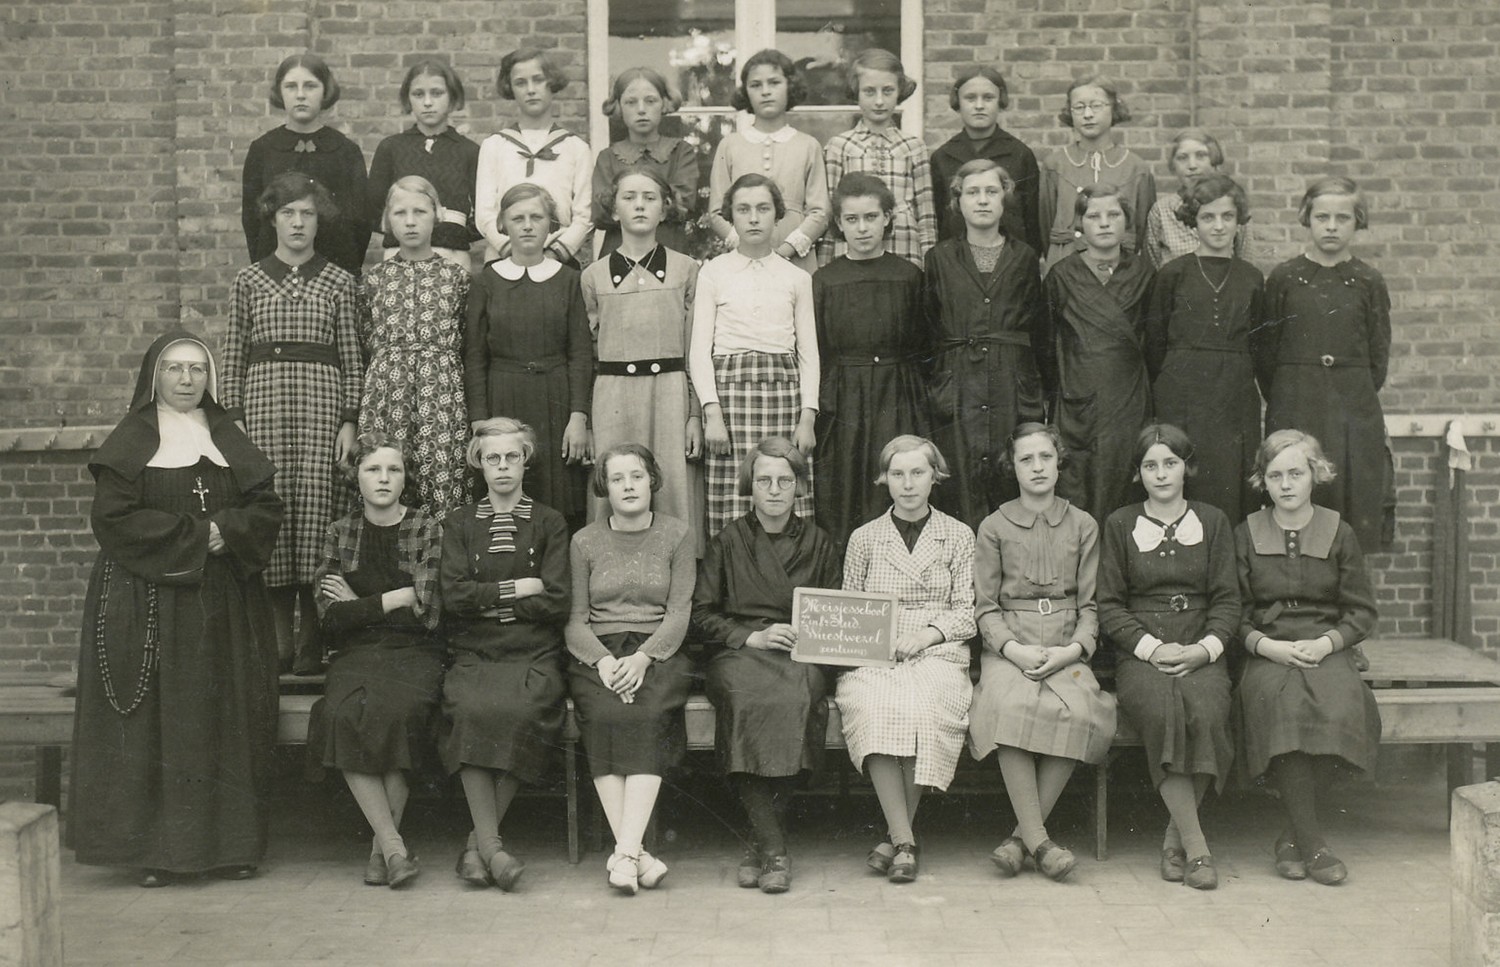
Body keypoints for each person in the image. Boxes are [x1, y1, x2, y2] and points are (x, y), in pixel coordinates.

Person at [69, 330, 283, 887]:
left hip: (225, 601)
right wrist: (196, 537)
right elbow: (113, 519)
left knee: (226, 715)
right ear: (154, 376)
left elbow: (265, 506)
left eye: (197, 369)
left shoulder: (227, 435)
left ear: (209, 378)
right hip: (149, 600)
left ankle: (233, 846)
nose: (187, 380)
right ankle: (159, 853)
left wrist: (226, 532)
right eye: (174, 369)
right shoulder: (132, 438)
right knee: (159, 724)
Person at [222, 171, 363, 675]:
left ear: (319, 220)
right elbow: (232, 356)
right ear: (273, 219)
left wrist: (349, 420)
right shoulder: (249, 281)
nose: (298, 223)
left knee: (318, 510)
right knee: (273, 509)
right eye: (288, 213)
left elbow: (352, 358)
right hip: (265, 406)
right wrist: (234, 421)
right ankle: (277, 637)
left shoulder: (340, 281)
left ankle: (313, 638)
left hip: (322, 406)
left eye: (307, 213)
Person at [694, 437, 843, 893]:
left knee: (800, 697)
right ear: (750, 486)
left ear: (799, 486)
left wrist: (806, 638)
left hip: (799, 655)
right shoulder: (727, 541)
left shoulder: (819, 543)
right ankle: (774, 847)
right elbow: (701, 614)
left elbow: (836, 613)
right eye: (764, 481)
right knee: (745, 700)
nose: (774, 490)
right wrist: (750, 636)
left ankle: (759, 839)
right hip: (739, 652)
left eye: (784, 480)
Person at [969, 423, 1116, 882]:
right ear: (1011, 467)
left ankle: (1020, 840)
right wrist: (1013, 650)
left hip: (1065, 645)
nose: (1037, 467)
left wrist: (1072, 651)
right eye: (1026, 459)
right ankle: (1041, 843)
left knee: (1081, 711)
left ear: (1058, 462)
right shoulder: (993, 526)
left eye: (1045, 458)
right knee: (1008, 707)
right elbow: (985, 607)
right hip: (1010, 646)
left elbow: (1090, 607)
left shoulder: (1083, 525)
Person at [1097, 424, 1239, 890]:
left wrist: (1204, 650)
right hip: (1142, 653)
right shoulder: (1120, 524)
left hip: (1200, 646)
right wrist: (1152, 648)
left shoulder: (1213, 521)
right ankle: (1197, 848)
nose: (1161, 474)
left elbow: (1228, 600)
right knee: (1162, 712)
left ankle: (1173, 840)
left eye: (1170, 463)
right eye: (1150, 465)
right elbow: (1109, 605)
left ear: (1186, 468)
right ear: (1138, 473)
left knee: (1208, 712)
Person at [1235, 429, 1379, 886]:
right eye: (1275, 475)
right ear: (1263, 481)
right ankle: (1314, 844)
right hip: (1269, 649)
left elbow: (1361, 611)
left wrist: (1327, 643)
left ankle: (1291, 836)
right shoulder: (1246, 533)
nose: (1286, 484)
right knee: (1282, 706)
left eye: (1296, 473)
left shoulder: (1339, 531)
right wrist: (1268, 646)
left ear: (1315, 474)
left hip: (1325, 647)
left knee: (1343, 706)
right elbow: (1234, 613)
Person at [835, 435, 977, 884]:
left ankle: (895, 839)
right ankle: (905, 841)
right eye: (898, 474)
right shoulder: (864, 538)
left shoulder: (959, 534)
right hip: (876, 650)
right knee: (873, 707)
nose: (908, 484)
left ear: (935, 477)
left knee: (926, 707)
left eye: (918, 473)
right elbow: (850, 607)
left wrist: (927, 635)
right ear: (885, 479)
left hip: (938, 648)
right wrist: (876, 642)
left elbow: (966, 610)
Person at [440, 418, 571, 891]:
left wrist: (489, 599)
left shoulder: (549, 522)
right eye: (491, 458)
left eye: (511, 456)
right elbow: (454, 597)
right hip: (476, 649)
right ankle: (493, 850)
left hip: (533, 651)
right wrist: (520, 588)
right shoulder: (459, 523)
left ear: (525, 460)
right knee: (471, 709)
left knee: (524, 710)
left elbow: (556, 601)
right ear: (478, 463)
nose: (502, 466)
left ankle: (477, 847)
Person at [311, 433, 444, 889]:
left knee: (398, 713)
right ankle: (392, 848)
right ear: (356, 477)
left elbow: (426, 611)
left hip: (415, 652)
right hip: (356, 652)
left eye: (393, 469)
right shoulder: (339, 532)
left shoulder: (426, 527)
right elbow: (329, 618)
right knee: (342, 713)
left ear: (406, 478)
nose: (384, 478)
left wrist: (359, 602)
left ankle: (381, 850)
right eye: (373, 469)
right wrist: (393, 598)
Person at [565, 444, 696, 895]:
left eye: (636, 476)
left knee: (646, 713)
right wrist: (603, 661)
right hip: (599, 651)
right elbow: (575, 619)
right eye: (617, 478)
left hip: (658, 650)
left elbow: (679, 612)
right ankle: (635, 854)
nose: (628, 486)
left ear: (652, 480)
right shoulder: (583, 541)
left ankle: (624, 852)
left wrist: (642, 658)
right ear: (604, 486)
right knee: (603, 713)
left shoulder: (678, 535)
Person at [1256, 176, 1392, 551]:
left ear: (1357, 221)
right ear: (1307, 219)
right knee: (1296, 488)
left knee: (1349, 495)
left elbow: (1378, 358)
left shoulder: (1368, 281)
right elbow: (1266, 356)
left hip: (1352, 408)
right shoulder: (1285, 278)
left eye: (1342, 218)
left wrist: (1349, 389)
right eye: (1322, 217)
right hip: (1295, 401)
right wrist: (1292, 388)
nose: (1331, 226)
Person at [690, 174, 820, 537]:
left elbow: (808, 353)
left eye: (763, 209)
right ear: (731, 215)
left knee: (781, 482)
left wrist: (807, 417)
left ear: (777, 215)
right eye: (743, 209)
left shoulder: (797, 278)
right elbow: (699, 351)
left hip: (783, 395)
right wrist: (712, 412)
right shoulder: (713, 272)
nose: (753, 218)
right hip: (731, 398)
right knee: (735, 495)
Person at [581, 168, 704, 551]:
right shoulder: (593, 276)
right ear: (613, 209)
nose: (639, 205)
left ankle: (678, 573)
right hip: (612, 398)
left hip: (669, 396)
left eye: (650, 198)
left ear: (664, 209)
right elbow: (586, 355)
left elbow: (696, 349)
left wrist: (694, 414)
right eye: (629, 197)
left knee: (672, 490)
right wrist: (587, 422)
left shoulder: (687, 269)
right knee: (614, 484)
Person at [923, 159, 1047, 529]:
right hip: (957, 382)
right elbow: (928, 326)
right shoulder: (939, 257)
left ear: (1004, 198)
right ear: (957, 201)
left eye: (991, 191)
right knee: (959, 482)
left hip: (1011, 380)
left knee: (1009, 473)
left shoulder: (1024, 257)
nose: (982, 200)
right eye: (972, 192)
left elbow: (1038, 326)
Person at [813, 173, 931, 547]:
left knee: (898, 474)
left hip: (898, 392)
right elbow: (819, 346)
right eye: (852, 219)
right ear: (839, 223)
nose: (862, 228)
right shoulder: (825, 280)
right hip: (844, 395)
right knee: (844, 482)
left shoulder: (909, 276)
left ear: (887, 218)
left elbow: (925, 342)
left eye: (871, 217)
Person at [464, 184, 592, 526]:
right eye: (517, 218)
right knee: (504, 490)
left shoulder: (568, 280)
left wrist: (578, 417)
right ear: (503, 224)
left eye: (537, 217)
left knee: (557, 498)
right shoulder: (486, 281)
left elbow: (580, 354)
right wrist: (479, 420)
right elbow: (474, 356)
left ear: (551, 223)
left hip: (556, 400)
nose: (527, 226)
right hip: (502, 397)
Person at [1145, 173, 1264, 524]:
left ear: (1239, 221)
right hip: (1182, 390)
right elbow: (1154, 342)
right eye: (1208, 217)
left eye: (1227, 216)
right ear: (1193, 221)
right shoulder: (1173, 274)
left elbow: (1260, 344)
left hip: (1234, 393)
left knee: (1230, 477)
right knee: (1184, 471)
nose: (1218, 226)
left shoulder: (1251, 277)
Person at [357, 176, 471, 520]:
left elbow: (466, 339)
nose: (410, 221)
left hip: (442, 394)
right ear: (387, 220)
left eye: (420, 212)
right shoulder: (374, 280)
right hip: (386, 393)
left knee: (441, 475)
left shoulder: (456, 277)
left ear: (437, 215)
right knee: (386, 474)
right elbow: (365, 338)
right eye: (400, 213)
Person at [1042, 184, 1154, 523]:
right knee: (1078, 485)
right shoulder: (1062, 275)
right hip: (1077, 399)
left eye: (1113, 215)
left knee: (1125, 480)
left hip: (1128, 396)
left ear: (1127, 221)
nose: (1104, 223)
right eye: (1094, 216)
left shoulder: (1144, 273)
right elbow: (1046, 343)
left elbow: (1154, 340)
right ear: (1079, 224)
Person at [241, 53, 368, 276]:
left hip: (334, 270)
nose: (300, 95)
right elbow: (253, 220)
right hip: (277, 272)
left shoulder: (346, 151)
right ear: (280, 92)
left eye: (310, 86)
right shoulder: (263, 150)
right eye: (291, 86)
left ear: (325, 91)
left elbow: (360, 221)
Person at [708, 49, 829, 274]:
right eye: (756, 85)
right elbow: (716, 212)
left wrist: (785, 251)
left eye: (774, 83)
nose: (765, 91)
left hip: (794, 259)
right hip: (743, 258)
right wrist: (746, 248)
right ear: (746, 92)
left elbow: (819, 212)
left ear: (790, 86)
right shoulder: (730, 145)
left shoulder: (808, 145)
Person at [818, 48, 936, 267]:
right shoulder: (839, 146)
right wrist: (825, 266)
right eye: (870, 92)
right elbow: (831, 214)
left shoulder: (913, 147)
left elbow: (926, 218)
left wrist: (930, 267)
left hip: (904, 251)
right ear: (856, 92)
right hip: (852, 255)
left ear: (899, 91)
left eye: (888, 91)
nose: (879, 101)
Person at [475, 48, 593, 264]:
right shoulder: (494, 145)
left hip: (559, 256)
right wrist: (508, 249)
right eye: (521, 83)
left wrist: (556, 252)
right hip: (505, 255)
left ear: (552, 82)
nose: (530, 90)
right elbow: (485, 214)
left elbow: (585, 215)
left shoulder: (576, 147)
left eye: (538, 80)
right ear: (510, 88)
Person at [366, 60, 482, 269]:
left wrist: (454, 233)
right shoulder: (391, 147)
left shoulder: (468, 151)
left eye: (437, 93)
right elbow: (372, 209)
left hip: (452, 255)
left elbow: (484, 211)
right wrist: (403, 228)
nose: (427, 102)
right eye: (418, 94)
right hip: (400, 255)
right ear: (408, 99)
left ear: (452, 97)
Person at [1038, 77, 1155, 269]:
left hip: (1119, 267)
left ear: (1113, 108)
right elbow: (1045, 225)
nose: (1088, 114)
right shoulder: (1055, 165)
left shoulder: (1135, 167)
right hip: (1066, 265)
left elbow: (1142, 231)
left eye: (1096, 106)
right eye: (1079, 107)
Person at [929, 65, 1042, 253]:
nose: (979, 106)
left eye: (988, 98)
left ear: (1000, 101)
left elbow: (1032, 219)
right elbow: (939, 219)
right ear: (958, 102)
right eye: (970, 98)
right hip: (956, 258)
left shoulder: (1019, 154)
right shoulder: (943, 156)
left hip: (1010, 257)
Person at [591, 67, 700, 257]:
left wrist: (625, 202)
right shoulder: (608, 157)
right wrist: (656, 201)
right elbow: (601, 213)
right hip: (618, 252)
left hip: (669, 250)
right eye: (631, 102)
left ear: (664, 104)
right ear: (619, 107)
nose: (641, 110)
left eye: (650, 101)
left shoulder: (681, 152)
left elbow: (684, 204)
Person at [1144, 129, 1246, 269]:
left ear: (1214, 160)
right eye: (1182, 158)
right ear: (1173, 165)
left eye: (1201, 155)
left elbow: (1245, 260)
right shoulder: (1161, 210)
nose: (1192, 165)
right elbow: (1151, 263)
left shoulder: (1232, 203)